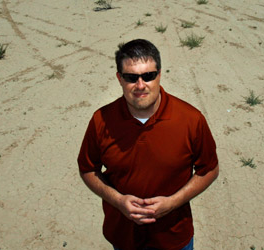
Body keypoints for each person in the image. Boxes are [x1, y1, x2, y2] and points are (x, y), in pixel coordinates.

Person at [77, 39, 219, 250]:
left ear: (159, 75)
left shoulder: (191, 120)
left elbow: (210, 170)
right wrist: (117, 201)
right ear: (119, 79)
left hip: (174, 238)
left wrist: (173, 202)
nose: (140, 85)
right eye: (131, 77)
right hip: (124, 237)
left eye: (148, 76)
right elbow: (88, 169)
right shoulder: (101, 120)